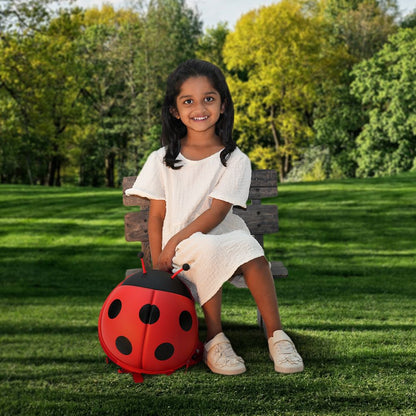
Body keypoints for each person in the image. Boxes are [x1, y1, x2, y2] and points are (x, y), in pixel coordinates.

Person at [125, 59, 304, 376]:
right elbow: (157, 216)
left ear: (223, 105)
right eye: (188, 100)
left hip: (223, 233)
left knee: (252, 252)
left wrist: (173, 244)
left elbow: (218, 212)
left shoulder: (235, 159)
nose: (199, 107)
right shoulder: (161, 160)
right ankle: (216, 339)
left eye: (208, 98)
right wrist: (159, 260)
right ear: (174, 111)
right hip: (182, 250)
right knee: (206, 251)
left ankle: (278, 337)